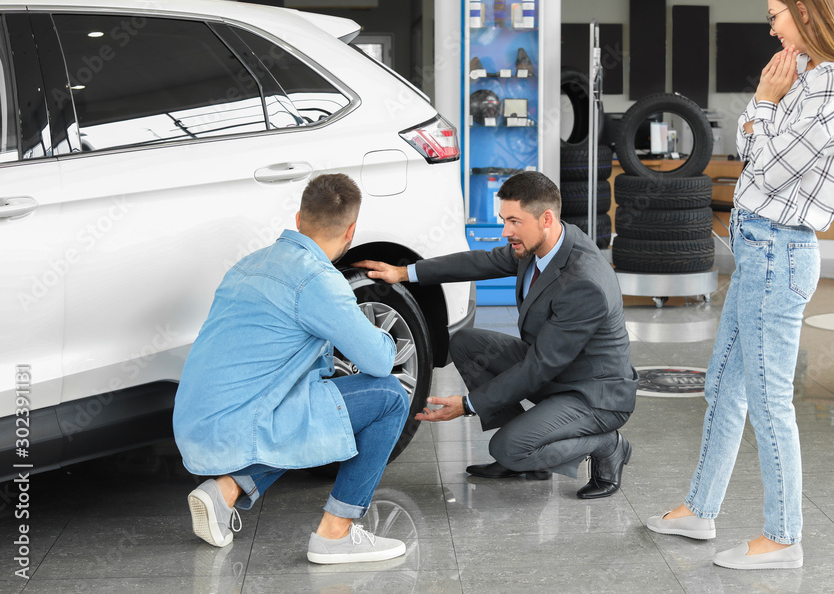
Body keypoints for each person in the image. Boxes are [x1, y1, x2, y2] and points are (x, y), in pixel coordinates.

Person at [645, 0, 834, 570]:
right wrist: (765, 107)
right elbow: (750, 150)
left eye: (775, 16)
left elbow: (766, 166)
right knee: (724, 384)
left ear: (805, 11)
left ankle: (784, 536)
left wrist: (764, 103)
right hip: (757, 250)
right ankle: (700, 510)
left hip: (778, 251)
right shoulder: (802, 75)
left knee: (769, 399)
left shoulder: (832, 84)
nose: (771, 31)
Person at [173, 173, 410, 565]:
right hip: (240, 425)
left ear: (298, 219)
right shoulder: (318, 281)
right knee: (388, 396)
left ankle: (225, 491)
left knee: (305, 403)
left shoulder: (250, 264)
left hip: (195, 423)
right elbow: (380, 361)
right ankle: (337, 533)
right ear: (351, 231)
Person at [355, 171, 638, 499]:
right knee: (465, 342)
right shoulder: (545, 242)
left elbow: (539, 367)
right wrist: (405, 272)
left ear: (545, 218)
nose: (506, 232)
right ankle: (526, 459)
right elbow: (480, 261)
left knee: (506, 448)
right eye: (504, 220)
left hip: (593, 395)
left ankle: (606, 445)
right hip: (558, 371)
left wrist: (467, 404)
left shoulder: (583, 283)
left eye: (513, 222)